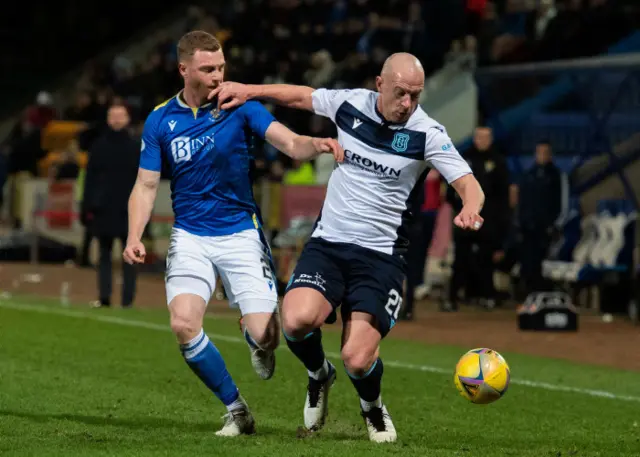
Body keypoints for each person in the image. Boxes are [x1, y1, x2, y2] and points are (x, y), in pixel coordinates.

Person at [209, 52, 485, 443]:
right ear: (380, 84)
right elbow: (301, 96)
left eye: (415, 96)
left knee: (357, 358)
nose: (408, 103)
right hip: (329, 245)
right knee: (295, 320)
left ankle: (372, 408)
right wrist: (249, 91)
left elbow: (467, 182)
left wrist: (471, 208)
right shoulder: (350, 104)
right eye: (401, 93)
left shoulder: (428, 133)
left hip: (381, 257)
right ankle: (319, 374)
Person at [122, 31, 343, 437]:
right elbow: (147, 185)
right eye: (208, 69)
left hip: (241, 233)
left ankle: (260, 337)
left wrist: (320, 143)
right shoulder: (160, 120)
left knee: (268, 337)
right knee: (183, 324)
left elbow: (291, 143)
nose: (218, 75)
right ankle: (237, 410)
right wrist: (134, 235)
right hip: (190, 235)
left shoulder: (242, 108)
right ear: (183, 69)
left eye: (221, 67)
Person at [83, 103, 139, 307]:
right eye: (113, 115)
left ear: (127, 118)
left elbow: (145, 182)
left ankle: (128, 299)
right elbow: (89, 180)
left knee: (130, 257)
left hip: (129, 211)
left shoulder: (136, 146)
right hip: (104, 209)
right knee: (104, 256)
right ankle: (104, 297)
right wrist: (87, 207)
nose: (116, 119)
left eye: (120, 115)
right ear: (107, 119)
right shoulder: (98, 146)